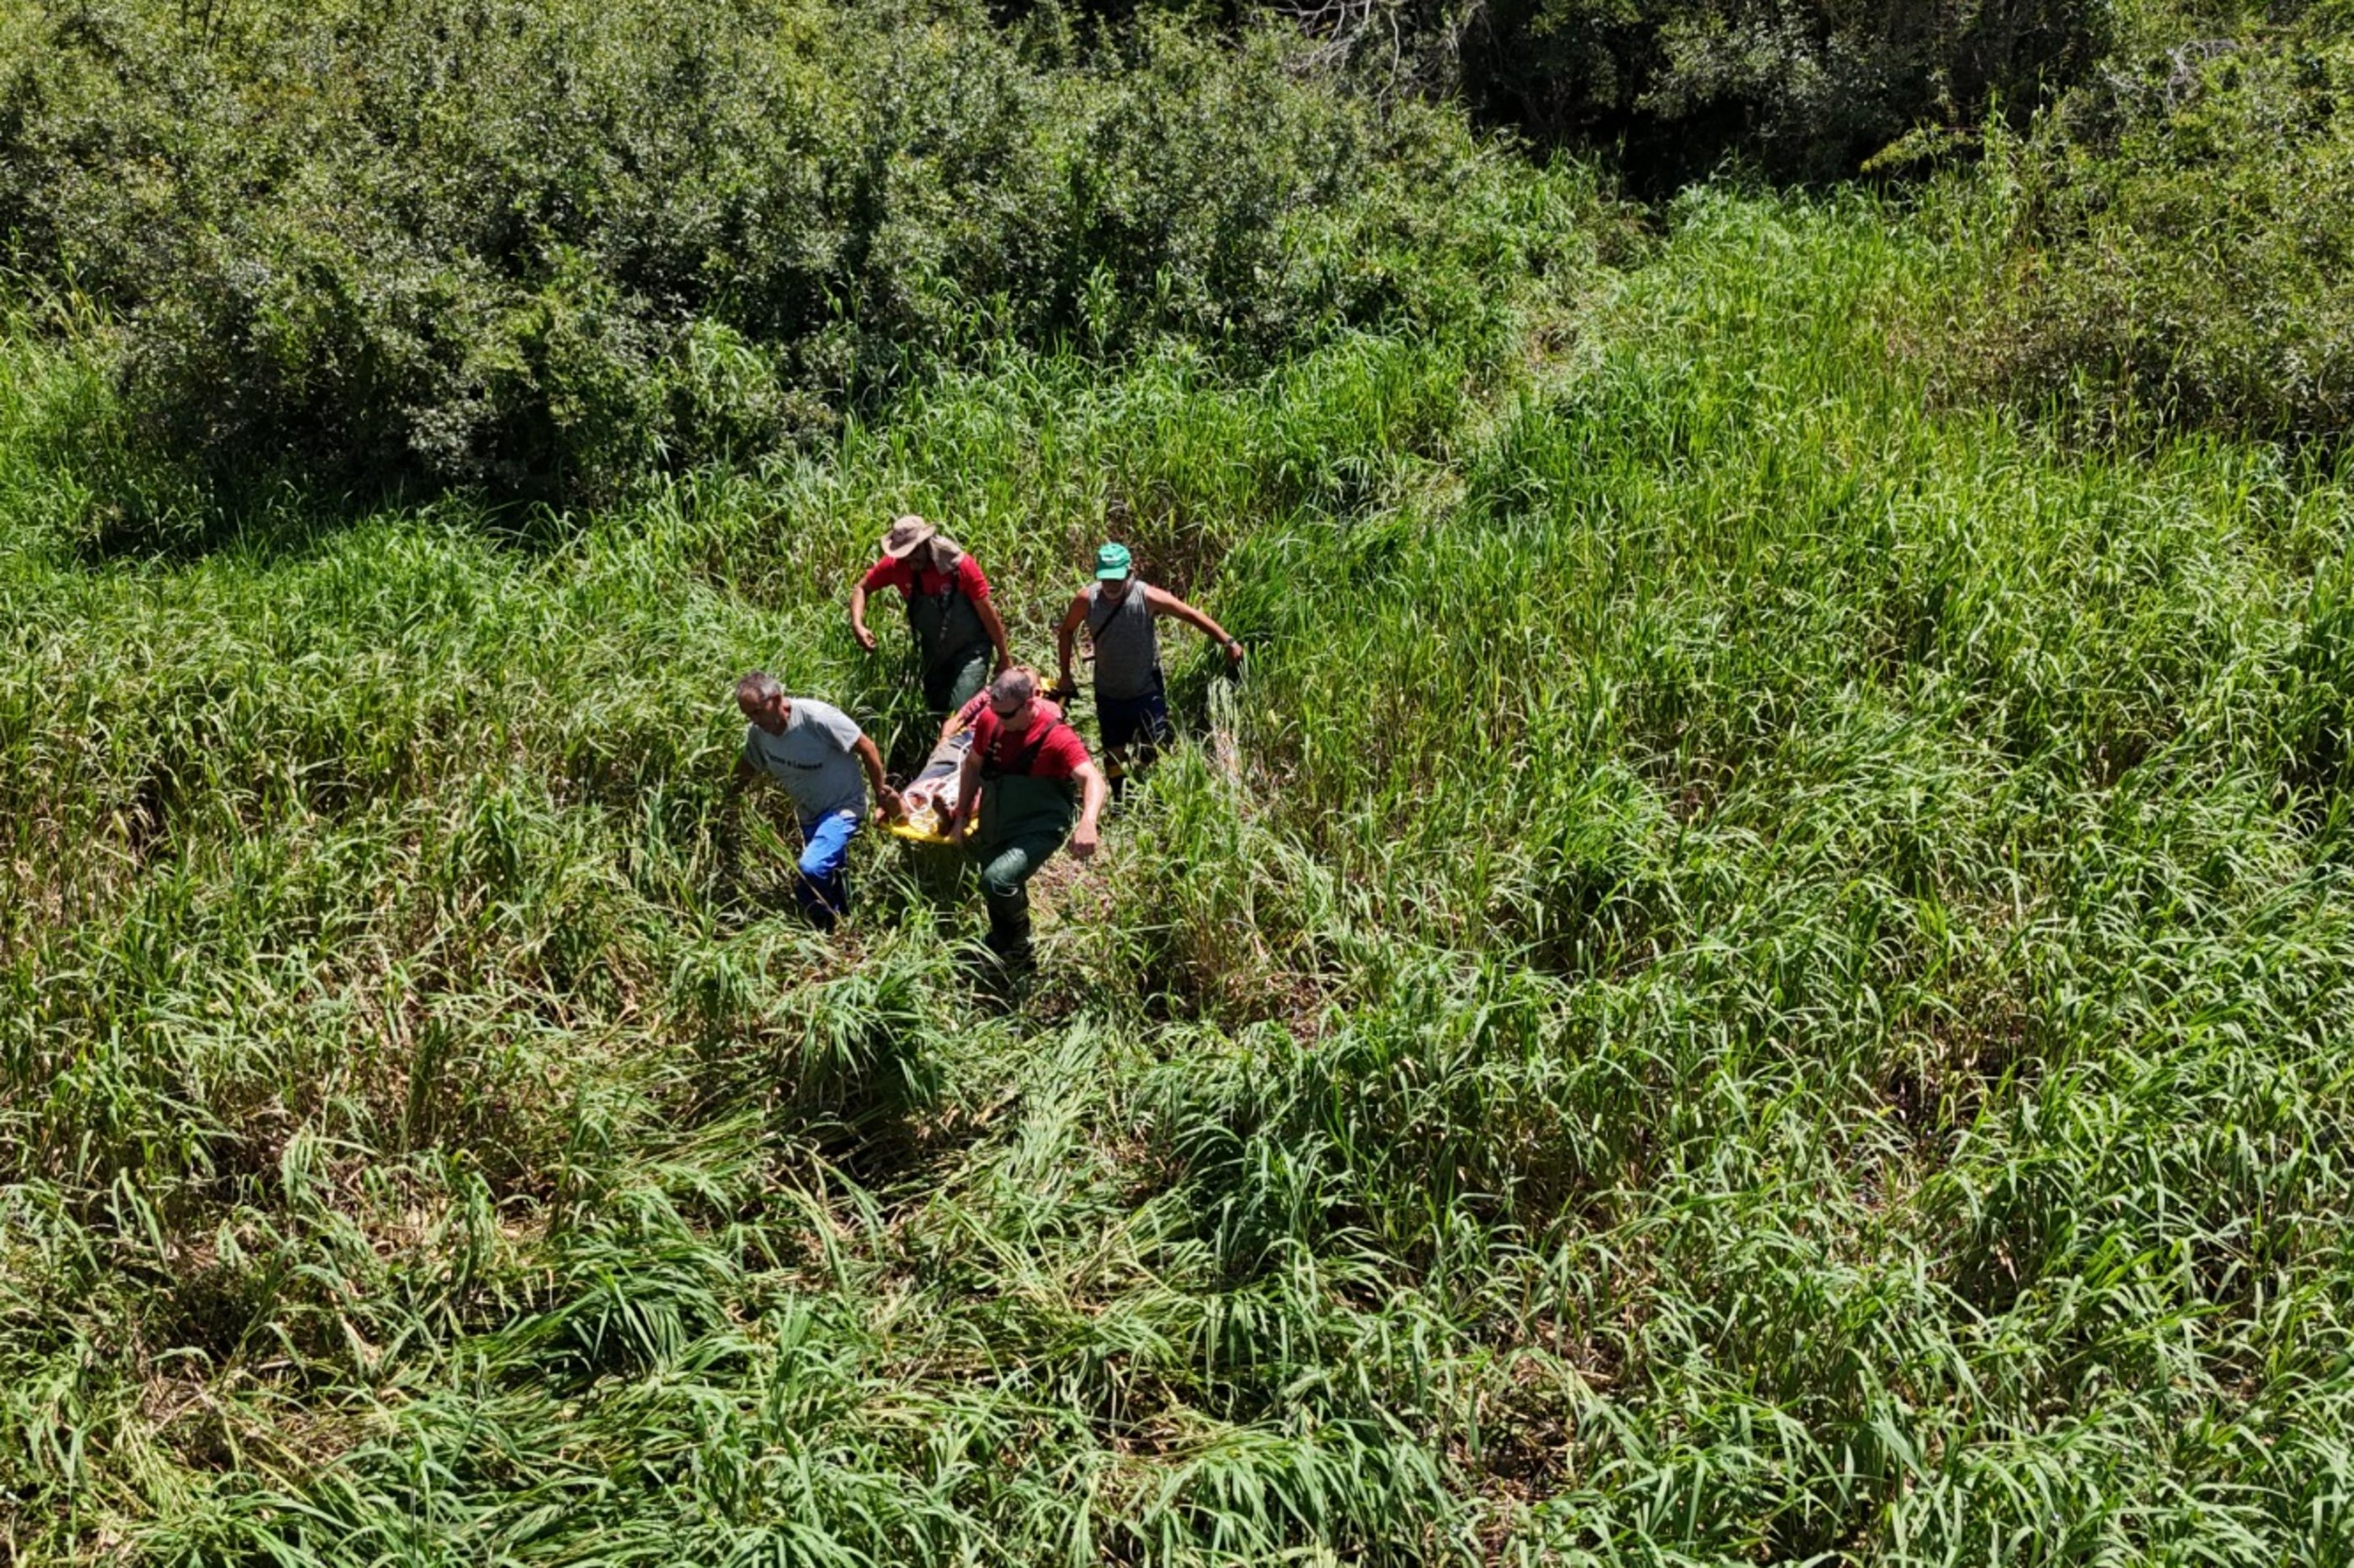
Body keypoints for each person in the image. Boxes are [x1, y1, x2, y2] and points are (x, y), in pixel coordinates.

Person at [1054, 542, 1243, 796]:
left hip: (1146, 687)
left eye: (1116, 579)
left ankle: (1147, 787)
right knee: (1114, 752)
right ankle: (1121, 800)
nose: (1111, 585)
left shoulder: (1146, 597)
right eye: (1106, 579)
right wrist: (1065, 675)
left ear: (1129, 572)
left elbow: (1190, 615)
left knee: (1153, 743)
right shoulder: (1087, 600)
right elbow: (1066, 631)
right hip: (1109, 690)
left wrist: (1228, 641)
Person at [946, 668, 1107, 965]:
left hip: (1039, 827)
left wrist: (1088, 822)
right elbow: (972, 766)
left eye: (1007, 715)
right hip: (996, 821)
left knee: (997, 880)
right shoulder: (991, 720)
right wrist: (960, 816)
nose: (999, 721)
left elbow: (1092, 779)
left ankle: (1020, 942)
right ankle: (1004, 946)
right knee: (996, 886)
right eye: (995, 712)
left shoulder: (1057, 737)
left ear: (1030, 703)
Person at [728, 672, 899, 929]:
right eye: (748, 715)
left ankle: (822, 922)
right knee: (833, 874)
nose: (754, 720)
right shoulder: (759, 734)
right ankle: (845, 924)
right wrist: (727, 801)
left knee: (811, 868)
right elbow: (747, 766)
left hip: (843, 806)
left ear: (777, 699)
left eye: (757, 712)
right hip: (808, 814)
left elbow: (867, 747)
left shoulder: (817, 718)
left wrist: (881, 798)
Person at [849, 515, 1013, 716]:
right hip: (934, 650)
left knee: (960, 711)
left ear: (926, 543)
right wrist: (857, 625)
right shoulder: (896, 566)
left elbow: (989, 615)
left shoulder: (960, 567)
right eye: (904, 555)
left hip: (970, 650)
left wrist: (1004, 657)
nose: (910, 560)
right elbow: (861, 588)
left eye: (914, 552)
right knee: (936, 708)